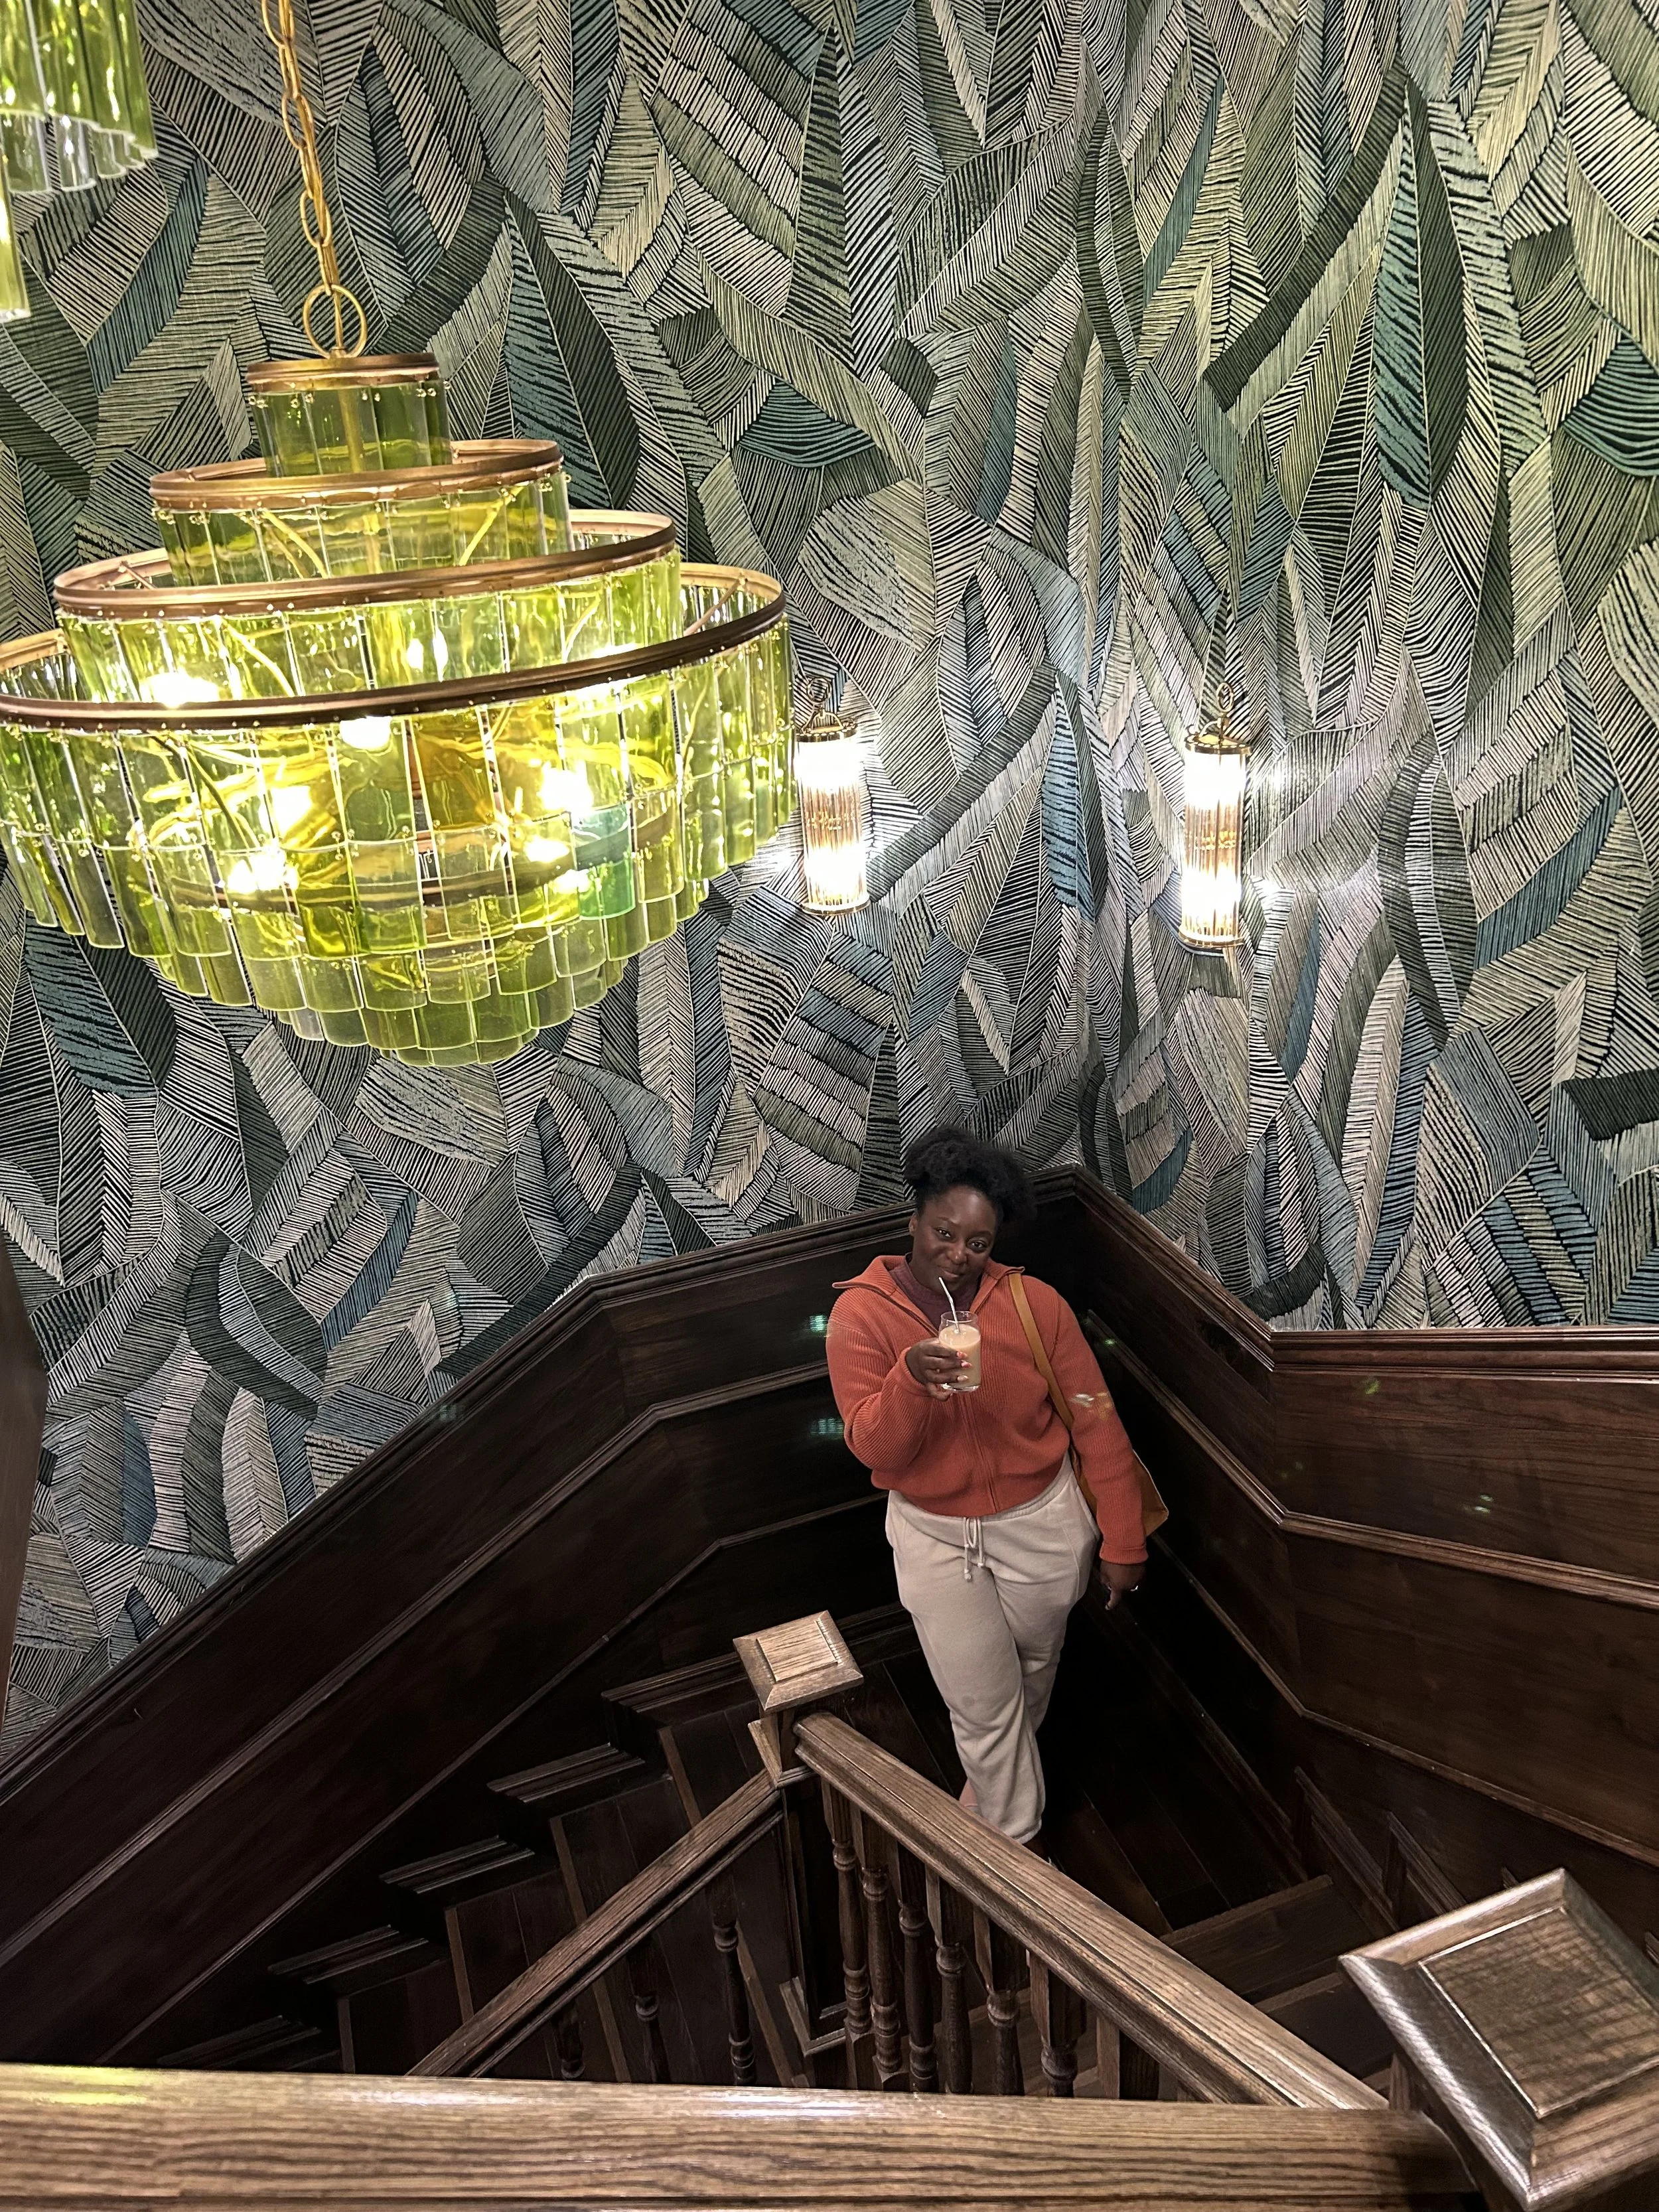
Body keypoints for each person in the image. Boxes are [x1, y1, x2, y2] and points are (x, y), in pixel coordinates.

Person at [826, 1126, 1146, 1851]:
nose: (959, 1255)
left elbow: (1096, 1421)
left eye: (977, 1242)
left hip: (1043, 1524)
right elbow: (872, 1447)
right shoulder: (860, 1316)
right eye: (944, 1233)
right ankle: (1014, 1851)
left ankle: (989, 1795)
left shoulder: (1034, 1305)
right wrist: (911, 1377)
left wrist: (1124, 1539)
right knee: (981, 1705)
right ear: (913, 1221)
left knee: (1028, 1674)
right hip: (935, 1535)